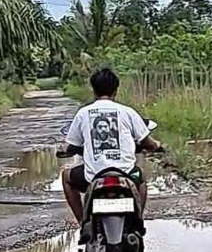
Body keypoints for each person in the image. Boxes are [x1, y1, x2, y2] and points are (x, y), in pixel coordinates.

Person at [61, 68, 162, 242]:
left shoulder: (83, 113)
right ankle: (138, 221)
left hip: (93, 177)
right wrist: (158, 146)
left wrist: (64, 150)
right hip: (126, 173)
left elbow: (70, 145)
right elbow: (148, 142)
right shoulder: (128, 112)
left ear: (93, 90)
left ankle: (83, 223)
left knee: (66, 176)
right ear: (116, 90)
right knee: (142, 179)